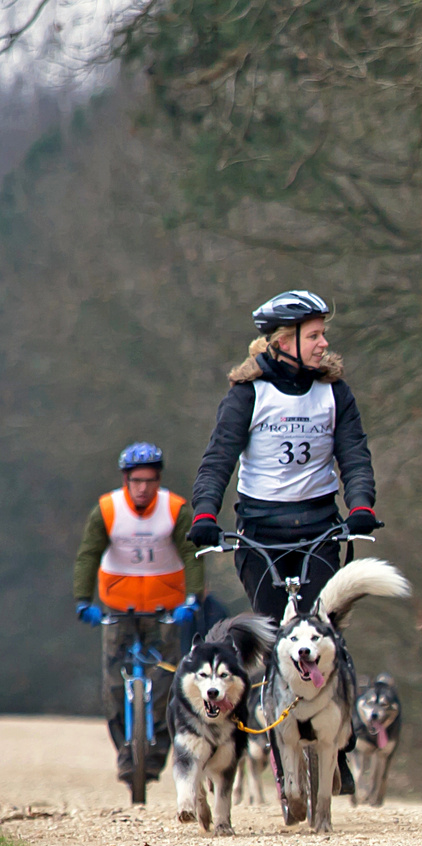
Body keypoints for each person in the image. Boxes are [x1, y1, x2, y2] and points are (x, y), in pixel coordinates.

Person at [186, 290, 380, 619]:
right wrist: (205, 514)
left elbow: (354, 455)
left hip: (319, 530)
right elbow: (219, 460)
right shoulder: (247, 394)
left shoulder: (335, 393)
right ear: (285, 343)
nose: (323, 344)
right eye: (314, 336)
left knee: (318, 632)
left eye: (323, 336)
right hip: (261, 532)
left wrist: (361, 505)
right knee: (274, 635)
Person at [73, 442, 203, 783]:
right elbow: (89, 554)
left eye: (149, 480)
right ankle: (126, 754)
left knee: (166, 681)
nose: (143, 488)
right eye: (136, 481)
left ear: (158, 480)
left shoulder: (176, 510)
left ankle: (154, 757)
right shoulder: (106, 509)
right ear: (126, 480)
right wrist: (83, 599)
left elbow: (192, 554)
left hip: (165, 609)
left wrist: (193, 598)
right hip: (118, 606)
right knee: (115, 682)